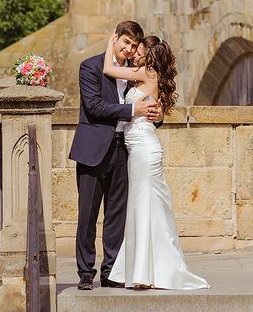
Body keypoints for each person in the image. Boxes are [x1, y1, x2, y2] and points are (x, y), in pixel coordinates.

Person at [103, 33, 210, 290]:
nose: (135, 54)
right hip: (138, 147)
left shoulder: (147, 74)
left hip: (144, 148)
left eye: (139, 50)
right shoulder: (149, 75)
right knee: (145, 205)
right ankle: (145, 270)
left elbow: (108, 68)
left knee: (144, 204)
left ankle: (146, 271)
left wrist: (111, 42)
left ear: (149, 55)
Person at [69, 21, 164, 290]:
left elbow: (150, 104)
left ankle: (111, 272)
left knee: (117, 214)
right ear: (115, 39)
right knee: (87, 214)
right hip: (93, 150)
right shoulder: (90, 67)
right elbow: (95, 106)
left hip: (126, 149)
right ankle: (85, 272)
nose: (129, 49)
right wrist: (132, 110)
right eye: (125, 43)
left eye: (134, 45)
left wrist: (157, 116)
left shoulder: (137, 71)